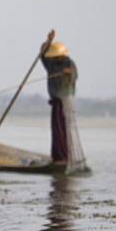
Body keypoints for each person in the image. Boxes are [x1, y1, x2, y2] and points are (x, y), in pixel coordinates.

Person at [41, 31, 78, 164]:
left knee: (62, 128)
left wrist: (67, 74)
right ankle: (56, 157)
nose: (55, 58)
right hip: (55, 100)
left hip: (64, 101)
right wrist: (48, 41)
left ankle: (63, 157)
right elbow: (42, 54)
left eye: (56, 56)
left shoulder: (69, 64)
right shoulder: (51, 64)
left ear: (61, 55)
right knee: (55, 129)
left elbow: (72, 78)